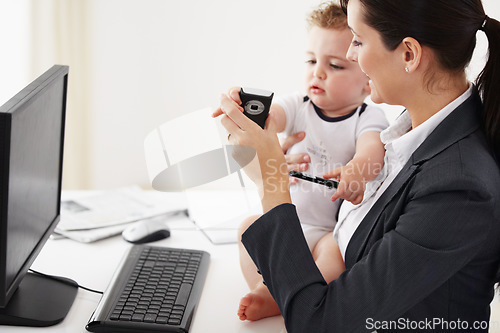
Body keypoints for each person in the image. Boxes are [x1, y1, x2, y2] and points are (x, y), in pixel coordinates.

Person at [215, 0, 500, 331]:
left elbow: (320, 323)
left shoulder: (459, 189)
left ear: (409, 54)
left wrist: (270, 180)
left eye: (359, 40)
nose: (350, 54)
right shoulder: (415, 136)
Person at [215, 2, 388, 321]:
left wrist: (357, 170)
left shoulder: (367, 116)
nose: (317, 72)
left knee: (336, 259)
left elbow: (372, 151)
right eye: (311, 60)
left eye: (335, 66)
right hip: (287, 221)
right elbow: (273, 118)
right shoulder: (300, 104)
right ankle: (265, 291)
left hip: (327, 231)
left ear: (367, 81)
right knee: (246, 230)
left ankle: (283, 297)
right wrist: (248, 109)